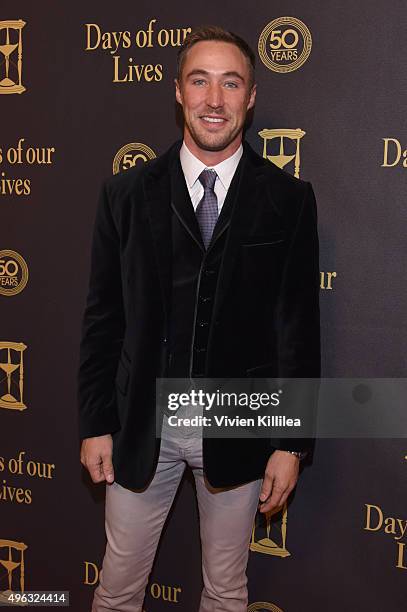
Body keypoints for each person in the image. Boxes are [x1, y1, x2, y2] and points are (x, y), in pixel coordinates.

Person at [78, 25, 320, 612]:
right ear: (179, 93)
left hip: (238, 426)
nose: (215, 100)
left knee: (226, 590)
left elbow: (297, 328)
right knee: (116, 589)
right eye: (200, 81)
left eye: (230, 83)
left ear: (251, 96)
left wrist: (292, 442)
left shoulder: (288, 199)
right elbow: (103, 318)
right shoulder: (125, 194)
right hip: (141, 425)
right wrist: (94, 423)